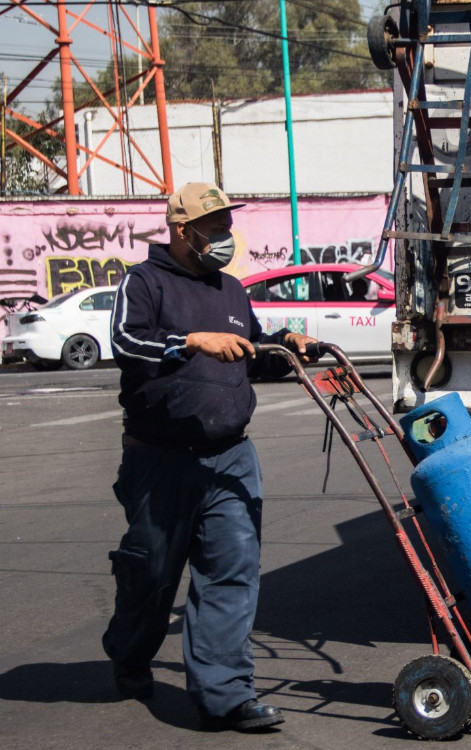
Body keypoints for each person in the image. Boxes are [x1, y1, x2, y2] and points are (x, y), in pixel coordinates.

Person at [102, 182, 318, 732]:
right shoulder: (143, 282)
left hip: (229, 456)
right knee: (152, 573)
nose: (225, 235)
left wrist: (285, 350)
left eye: (227, 223)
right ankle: (129, 653)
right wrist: (188, 342)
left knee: (231, 572)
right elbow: (126, 345)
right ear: (182, 231)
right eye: (214, 225)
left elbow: (246, 357)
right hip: (160, 457)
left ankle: (226, 696)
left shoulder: (230, 290)